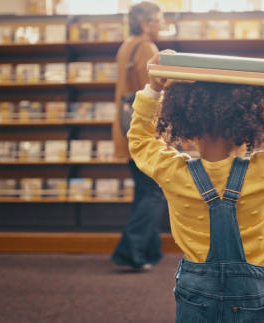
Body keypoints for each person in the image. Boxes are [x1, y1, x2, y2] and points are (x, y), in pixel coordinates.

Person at [127, 51, 264, 322]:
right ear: (251, 127)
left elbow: (140, 141)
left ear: (187, 127)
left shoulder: (173, 171)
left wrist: (154, 89)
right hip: (251, 290)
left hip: (194, 289)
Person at [110, 1, 167, 271]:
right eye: (158, 20)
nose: (162, 25)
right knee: (155, 193)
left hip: (125, 130)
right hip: (144, 130)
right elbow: (154, 90)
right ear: (146, 24)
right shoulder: (147, 48)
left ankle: (147, 253)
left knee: (144, 191)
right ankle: (130, 251)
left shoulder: (126, 46)